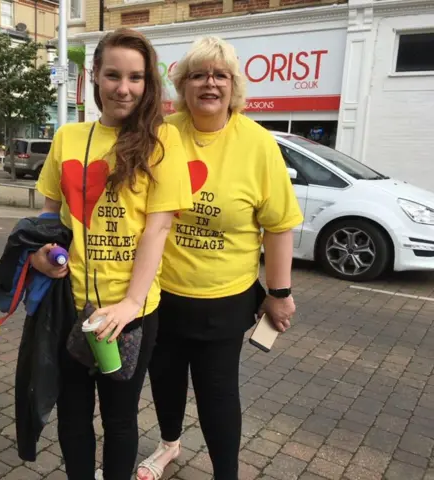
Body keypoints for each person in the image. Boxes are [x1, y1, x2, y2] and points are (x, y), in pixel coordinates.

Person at [137, 36, 304, 480]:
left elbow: (279, 224)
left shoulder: (258, 144)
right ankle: (169, 445)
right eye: (197, 74)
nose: (209, 83)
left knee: (217, 396)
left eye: (220, 75)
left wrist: (280, 293)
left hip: (225, 300)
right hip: (161, 294)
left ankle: (224, 472)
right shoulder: (162, 134)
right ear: (182, 84)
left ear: (234, 86)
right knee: (165, 383)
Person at [31, 28, 192, 480]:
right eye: (114, 75)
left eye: (136, 77)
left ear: (148, 83)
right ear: (95, 77)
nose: (124, 87)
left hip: (131, 312)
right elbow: (48, 217)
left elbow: (158, 228)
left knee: (120, 418)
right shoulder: (67, 137)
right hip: (70, 305)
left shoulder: (163, 142)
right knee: (72, 415)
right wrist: (42, 257)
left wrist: (130, 303)